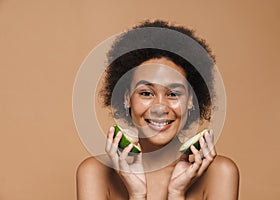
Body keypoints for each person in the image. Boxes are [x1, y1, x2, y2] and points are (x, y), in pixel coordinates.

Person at [76, 20, 239, 200]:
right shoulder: (94, 173)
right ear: (126, 98)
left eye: (173, 94)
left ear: (191, 100)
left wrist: (176, 193)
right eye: (146, 93)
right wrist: (137, 194)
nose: (160, 108)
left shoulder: (221, 173)